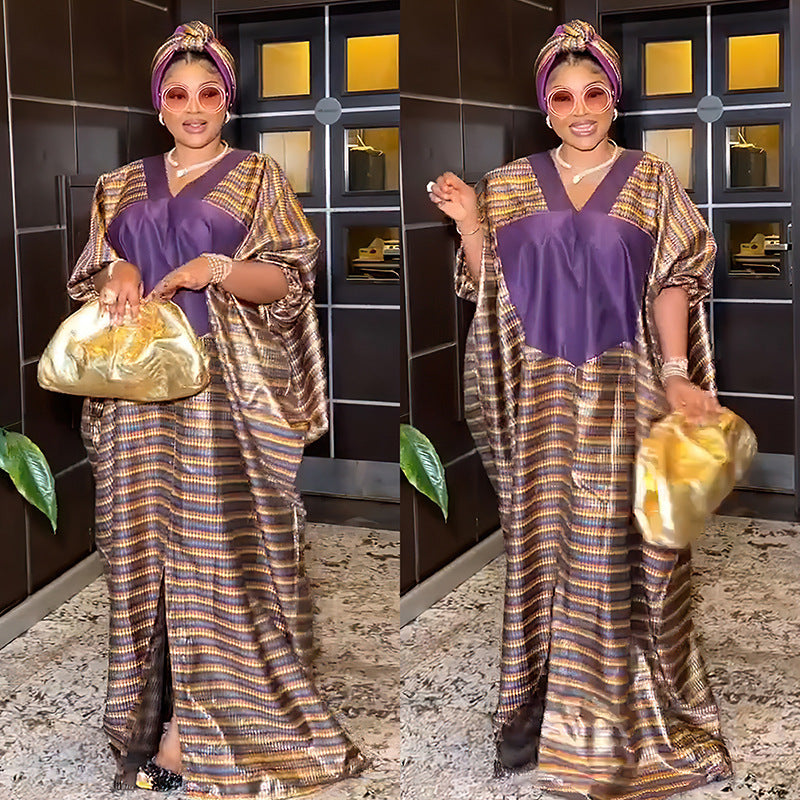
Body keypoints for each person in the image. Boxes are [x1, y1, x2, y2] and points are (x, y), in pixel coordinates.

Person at [428, 19, 732, 800]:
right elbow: (488, 289)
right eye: (563, 97)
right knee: (543, 546)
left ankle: (625, 722)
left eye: (594, 91)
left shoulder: (653, 179)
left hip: (625, 389)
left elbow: (673, 280)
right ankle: (541, 718)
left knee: (625, 547)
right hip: (538, 399)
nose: (581, 108)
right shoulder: (510, 182)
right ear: (546, 105)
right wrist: (468, 223)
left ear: (614, 98)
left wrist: (674, 371)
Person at [67, 21, 365, 798]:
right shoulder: (119, 185)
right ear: (158, 105)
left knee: (219, 557)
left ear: (227, 103)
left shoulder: (257, 176)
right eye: (178, 94)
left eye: (208, 93)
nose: (193, 108)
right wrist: (120, 267)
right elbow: (91, 279)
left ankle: (194, 734)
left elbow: (291, 282)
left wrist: (219, 266)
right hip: (135, 400)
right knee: (138, 555)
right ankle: (148, 717)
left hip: (222, 402)